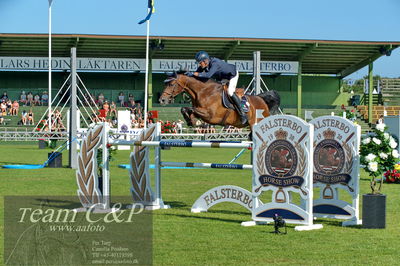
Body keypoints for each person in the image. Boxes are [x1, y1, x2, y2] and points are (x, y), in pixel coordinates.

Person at [186, 51, 247, 125]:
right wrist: (188, 75)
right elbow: (196, 76)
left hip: (232, 75)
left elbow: (208, 75)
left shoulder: (215, 63)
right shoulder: (204, 65)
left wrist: (193, 74)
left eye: (200, 62)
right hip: (223, 78)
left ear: (205, 61)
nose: (199, 64)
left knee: (230, 92)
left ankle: (242, 114)